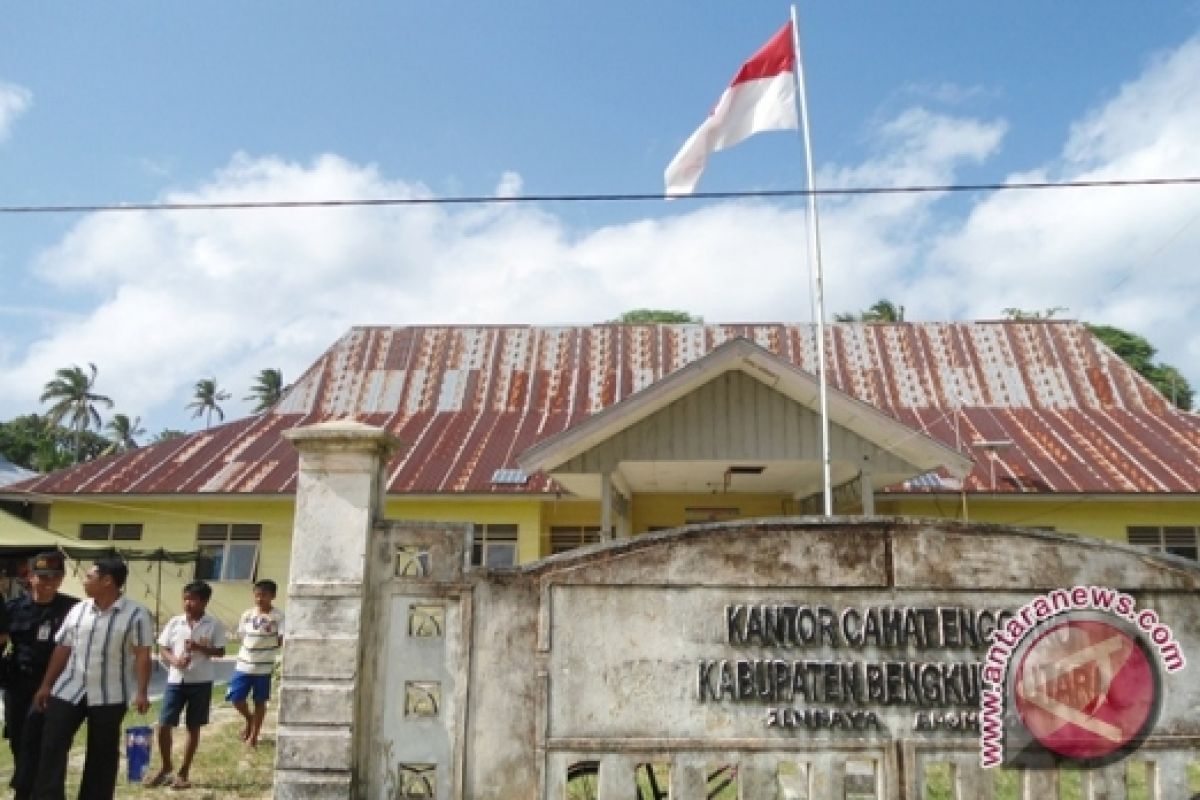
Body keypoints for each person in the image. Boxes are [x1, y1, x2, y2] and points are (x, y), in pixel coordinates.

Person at [33, 557, 152, 800]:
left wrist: (141, 691)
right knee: (52, 745)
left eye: (89, 576)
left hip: (110, 693)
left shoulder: (137, 614)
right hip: (69, 688)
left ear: (107, 581)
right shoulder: (79, 609)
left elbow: (142, 655)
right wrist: (46, 685)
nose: (84, 581)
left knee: (102, 754)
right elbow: (62, 648)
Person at [1, 553, 78, 800]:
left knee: (50, 742)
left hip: (57, 685)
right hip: (19, 683)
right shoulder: (12, 608)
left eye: (55, 577)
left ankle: (44, 793)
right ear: (30, 577)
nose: (49, 582)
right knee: (19, 739)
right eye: (43, 577)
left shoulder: (73, 609)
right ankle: (25, 789)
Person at [142, 581, 226, 790]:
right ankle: (166, 767)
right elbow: (163, 647)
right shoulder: (175, 622)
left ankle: (184, 772)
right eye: (185, 599)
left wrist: (200, 648)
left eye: (193, 600)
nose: (188, 603)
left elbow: (221, 651)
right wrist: (173, 660)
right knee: (163, 725)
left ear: (204, 601)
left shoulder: (213, 624)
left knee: (193, 726)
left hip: (201, 681)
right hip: (176, 680)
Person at [226, 579, 284, 747]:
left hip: (263, 667)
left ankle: (254, 736)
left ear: (273, 596)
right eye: (257, 595)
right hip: (243, 664)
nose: (260, 599)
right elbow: (242, 635)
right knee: (236, 698)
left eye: (264, 595)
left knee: (260, 701)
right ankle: (250, 719)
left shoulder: (278, 617)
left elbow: (281, 639)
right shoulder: (248, 615)